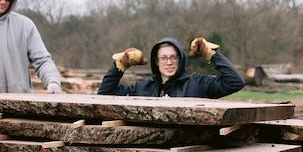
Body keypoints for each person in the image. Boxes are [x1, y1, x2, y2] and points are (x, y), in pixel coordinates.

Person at [98, 36, 244, 98]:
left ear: (180, 59)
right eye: (164, 58)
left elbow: (235, 82)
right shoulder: (143, 88)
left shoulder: (197, 84)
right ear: (156, 61)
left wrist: (211, 55)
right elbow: (105, 94)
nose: (169, 62)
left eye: (173, 57)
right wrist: (120, 66)